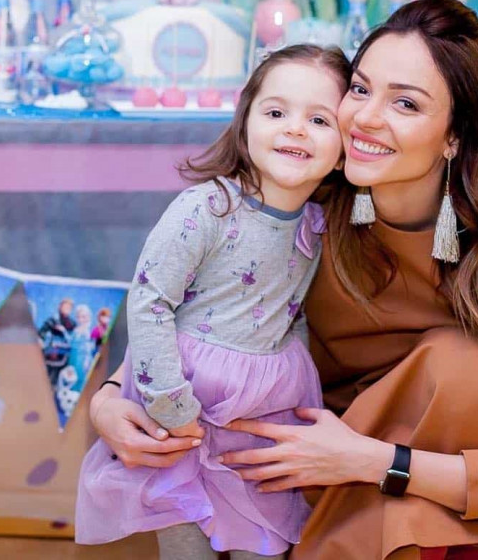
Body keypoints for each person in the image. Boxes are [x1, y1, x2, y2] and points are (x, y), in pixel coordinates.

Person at [87, 0, 478, 560]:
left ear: (455, 136)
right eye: (361, 89)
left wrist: (370, 460)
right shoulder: (308, 205)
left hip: (400, 479)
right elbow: (203, 316)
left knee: (459, 365)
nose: (365, 118)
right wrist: (109, 400)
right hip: (296, 473)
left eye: (406, 103)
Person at [76, 44, 351, 559]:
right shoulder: (206, 208)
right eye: (276, 113)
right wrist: (169, 402)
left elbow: (291, 313)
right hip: (185, 402)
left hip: (262, 411)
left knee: (263, 545)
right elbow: (151, 301)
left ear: (343, 149)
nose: (295, 129)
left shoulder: (317, 227)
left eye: (319, 120)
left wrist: (296, 395)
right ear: (245, 123)